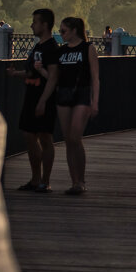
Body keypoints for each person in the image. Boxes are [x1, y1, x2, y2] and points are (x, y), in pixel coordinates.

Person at [6, 8, 60, 192]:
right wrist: (16, 74)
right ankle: (35, 179)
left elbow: (53, 77)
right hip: (31, 95)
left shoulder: (52, 48)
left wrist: (43, 101)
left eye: (35, 22)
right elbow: (31, 71)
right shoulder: (38, 47)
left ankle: (45, 181)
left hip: (43, 97)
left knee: (45, 137)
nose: (32, 25)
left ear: (45, 25)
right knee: (29, 136)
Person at [55, 17, 99, 195]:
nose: (61, 34)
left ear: (74, 30)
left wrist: (94, 101)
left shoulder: (88, 48)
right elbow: (55, 76)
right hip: (64, 94)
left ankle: (81, 180)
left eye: (63, 31)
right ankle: (74, 181)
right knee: (68, 141)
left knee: (75, 137)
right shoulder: (61, 51)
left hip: (82, 93)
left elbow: (95, 77)